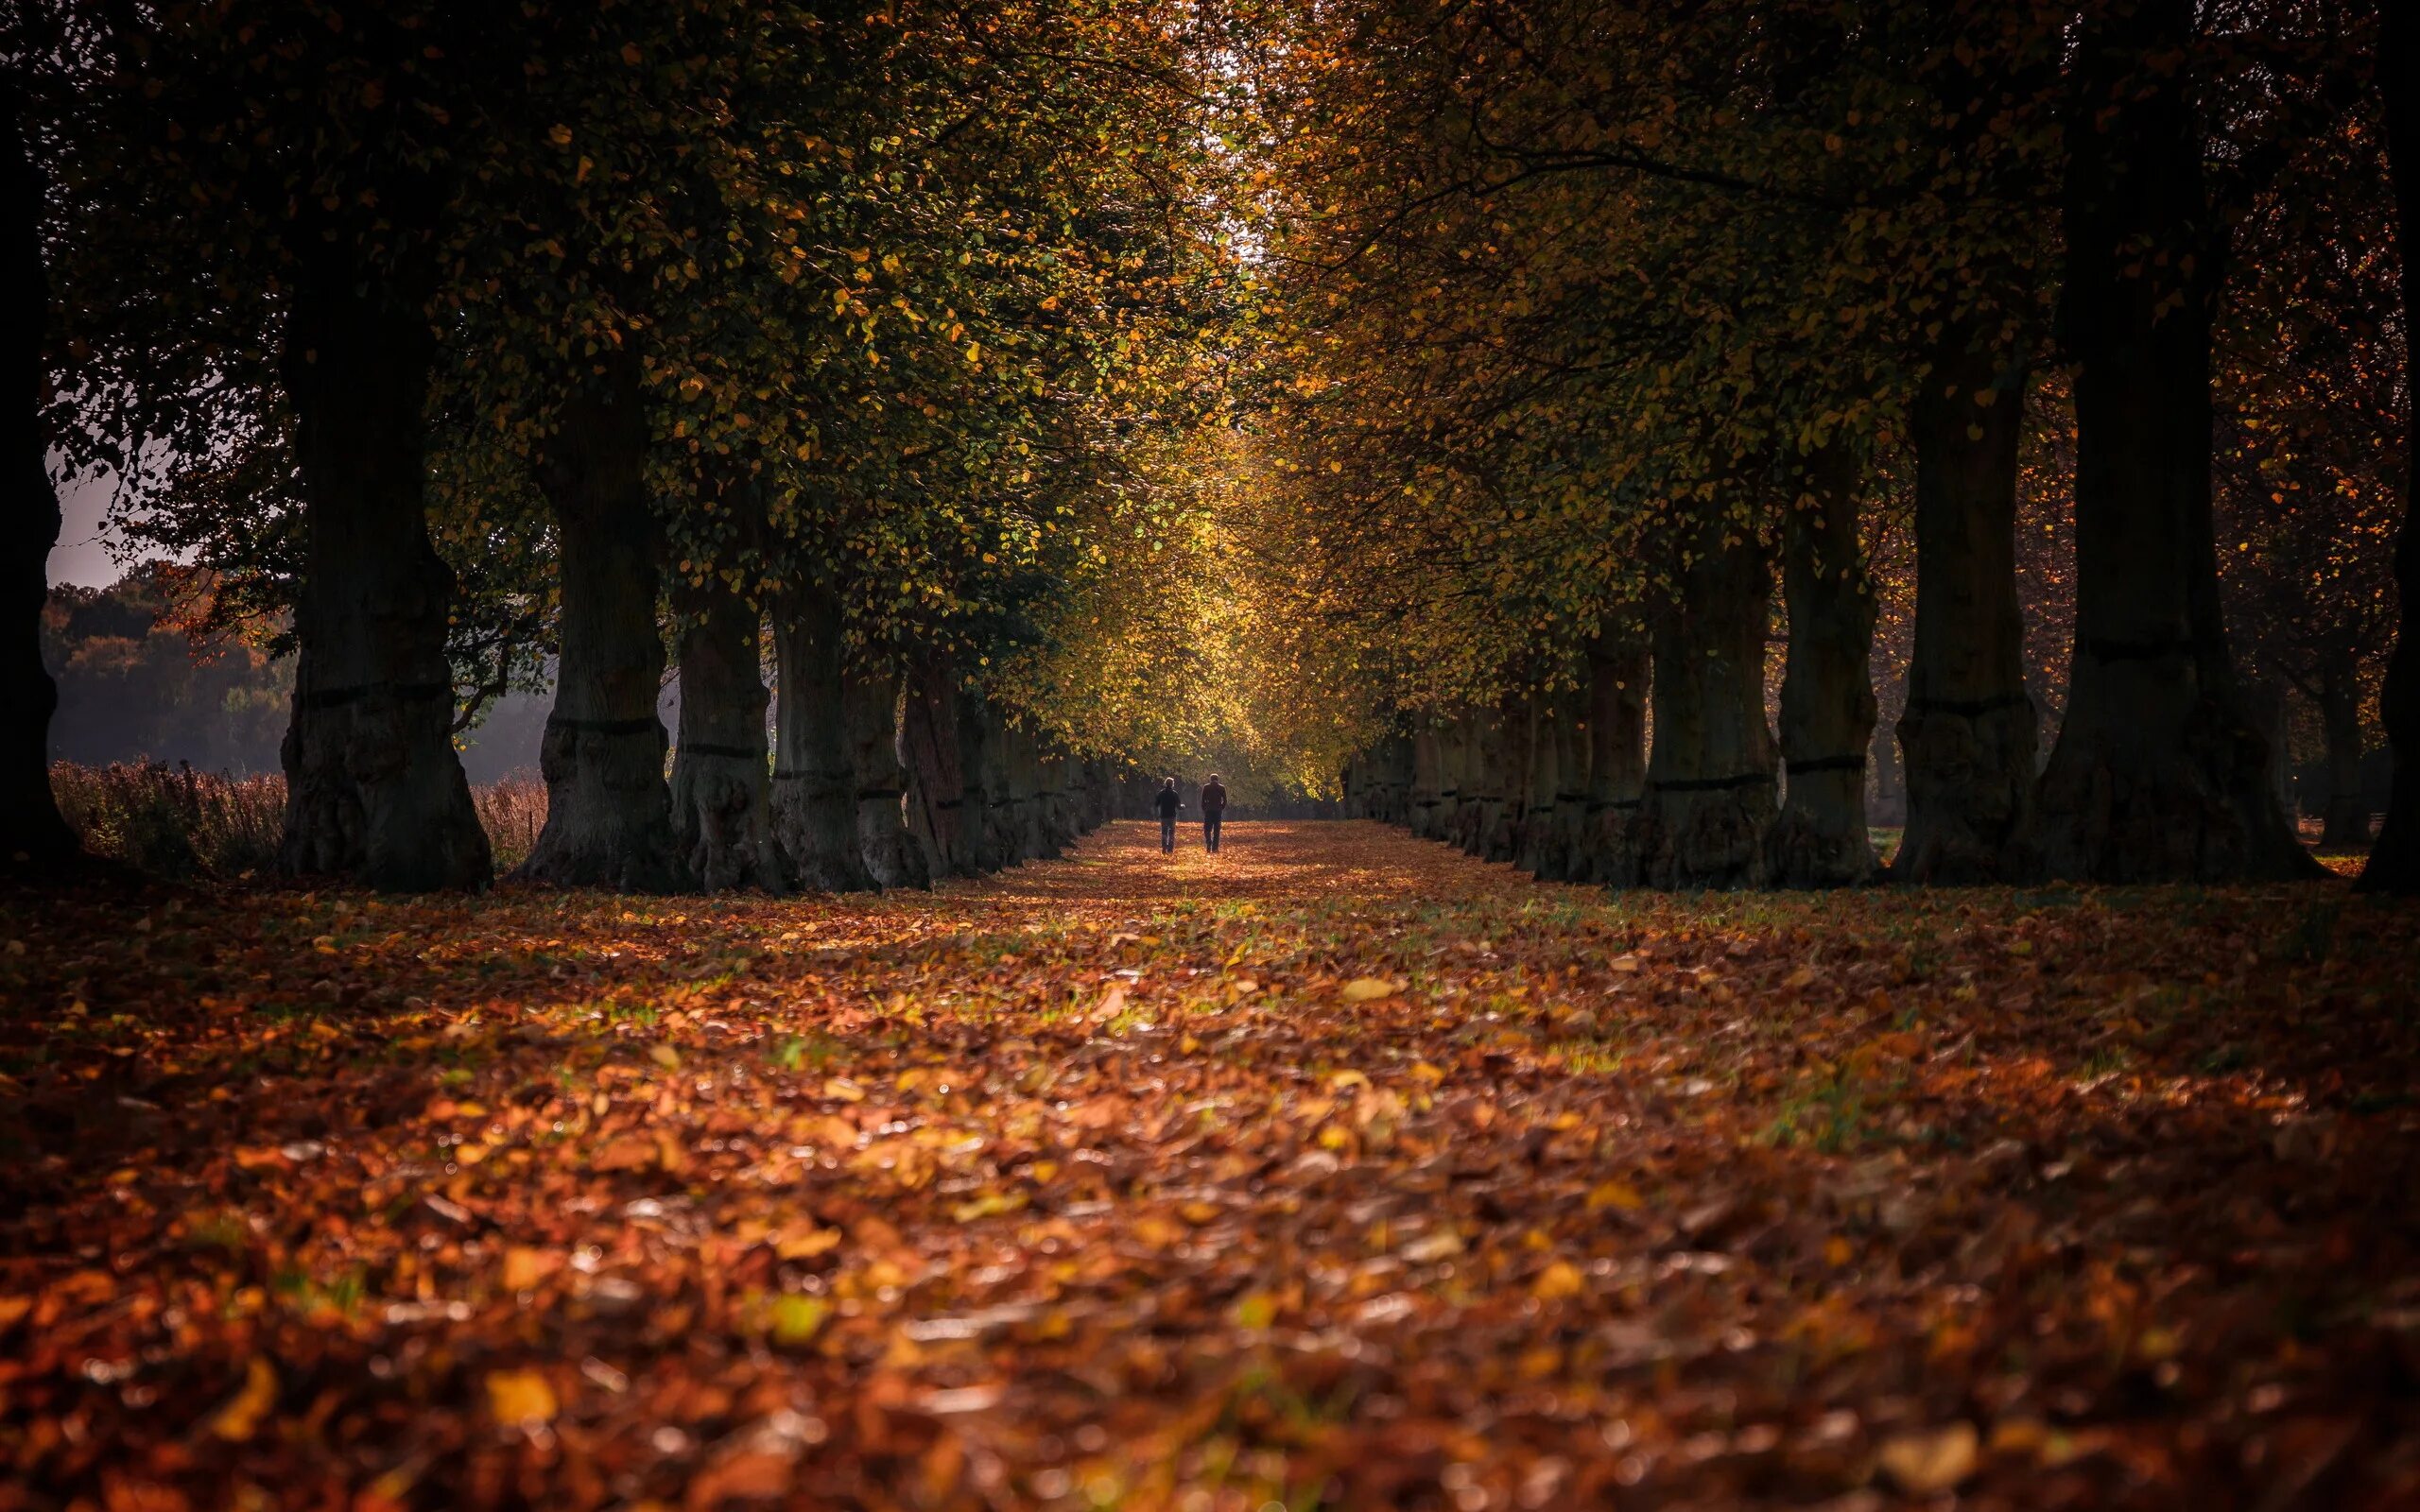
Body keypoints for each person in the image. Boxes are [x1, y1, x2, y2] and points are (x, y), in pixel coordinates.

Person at [1152, 777, 1183, 852]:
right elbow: (1179, 807)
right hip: (1172, 816)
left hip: (1163, 815)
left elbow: (1156, 804)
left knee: (1164, 832)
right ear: (1172, 784)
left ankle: (1164, 847)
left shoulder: (1161, 793)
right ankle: (1170, 849)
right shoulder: (1174, 793)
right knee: (1172, 832)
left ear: (1166, 783)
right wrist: (1183, 806)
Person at [1200, 772, 1228, 852]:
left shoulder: (1206, 787)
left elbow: (1202, 800)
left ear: (1210, 779)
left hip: (1208, 810)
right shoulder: (1222, 788)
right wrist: (1221, 807)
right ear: (1217, 779)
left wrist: (1204, 809)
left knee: (1207, 829)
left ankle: (1209, 841)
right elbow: (1225, 800)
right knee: (1216, 830)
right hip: (1218, 811)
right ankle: (1215, 848)